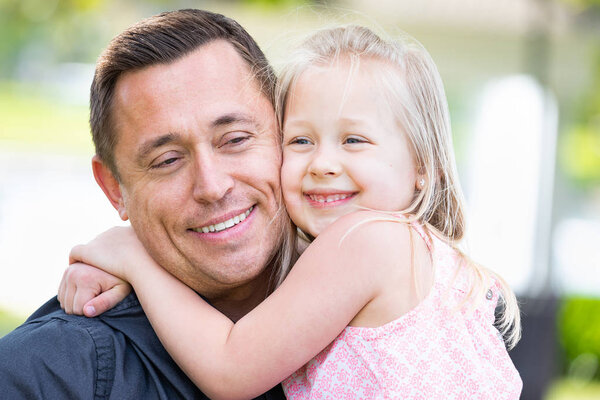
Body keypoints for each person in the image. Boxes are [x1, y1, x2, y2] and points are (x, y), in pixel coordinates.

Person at [61, 25, 523, 399]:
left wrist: (133, 257)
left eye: (354, 140)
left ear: (423, 165)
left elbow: (230, 369)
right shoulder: (425, 259)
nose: (322, 164)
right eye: (300, 141)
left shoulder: (366, 240)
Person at [0, 9, 293, 399]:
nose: (212, 186)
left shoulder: (387, 303)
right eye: (167, 161)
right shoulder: (48, 372)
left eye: (235, 139)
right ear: (114, 188)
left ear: (290, 133)